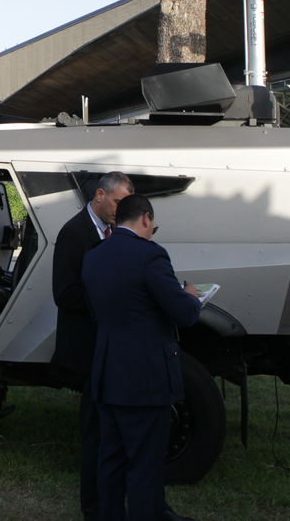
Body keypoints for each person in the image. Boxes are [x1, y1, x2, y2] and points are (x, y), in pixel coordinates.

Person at [82, 193, 202, 521]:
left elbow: (97, 311)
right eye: (153, 224)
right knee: (145, 463)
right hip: (144, 377)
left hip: (107, 371)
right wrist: (191, 297)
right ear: (146, 218)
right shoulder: (151, 256)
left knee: (111, 458)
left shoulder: (94, 256)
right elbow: (183, 313)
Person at [52, 171, 133, 521]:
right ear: (99, 195)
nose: (121, 210)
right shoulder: (74, 233)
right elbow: (64, 293)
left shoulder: (112, 231)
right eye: (117, 202)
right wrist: (109, 297)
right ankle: (94, 507)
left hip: (108, 346)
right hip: (88, 347)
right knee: (95, 431)